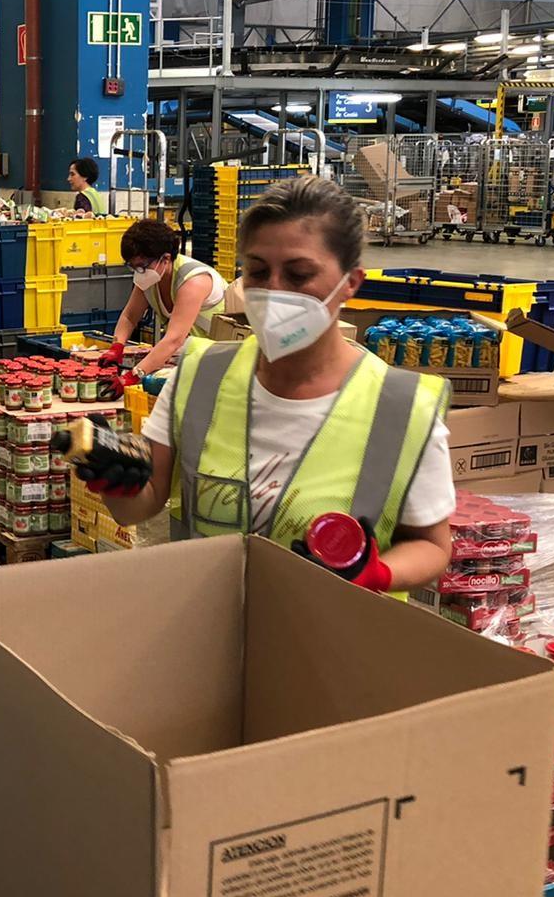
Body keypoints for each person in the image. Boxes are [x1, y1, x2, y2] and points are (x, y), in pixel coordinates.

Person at [82, 175, 455, 596]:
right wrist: (115, 481)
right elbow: (143, 504)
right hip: (209, 633)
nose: (274, 291)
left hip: (336, 645)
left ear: (350, 282)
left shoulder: (403, 407)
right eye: (258, 271)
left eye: (298, 275)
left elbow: (431, 545)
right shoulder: (199, 376)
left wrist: (380, 574)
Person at [104, 217, 231, 378]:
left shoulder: (193, 281)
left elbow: (174, 339)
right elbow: (130, 316)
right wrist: (116, 347)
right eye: (132, 266)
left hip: (222, 361)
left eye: (142, 266)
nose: (138, 272)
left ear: (165, 258)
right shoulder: (150, 277)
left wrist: (134, 375)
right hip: (192, 357)